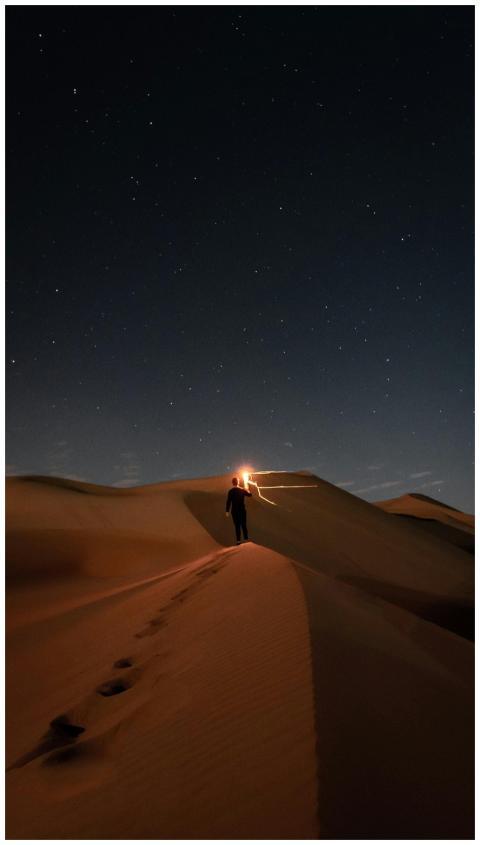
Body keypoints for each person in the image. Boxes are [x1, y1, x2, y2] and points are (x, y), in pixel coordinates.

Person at [225, 477, 252, 544]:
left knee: (237, 526)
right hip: (242, 510)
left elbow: (228, 502)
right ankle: (246, 539)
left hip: (234, 511)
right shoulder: (242, 490)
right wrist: (247, 489)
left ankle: (238, 541)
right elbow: (250, 495)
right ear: (238, 482)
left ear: (232, 483)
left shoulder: (230, 491)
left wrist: (227, 511)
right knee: (243, 525)